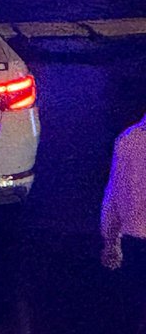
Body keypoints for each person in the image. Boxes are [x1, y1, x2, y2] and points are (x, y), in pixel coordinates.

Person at [101, 111, 146, 333]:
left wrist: (111, 241)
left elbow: (113, 194)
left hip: (135, 240)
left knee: (136, 314)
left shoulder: (128, 139)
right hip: (136, 237)